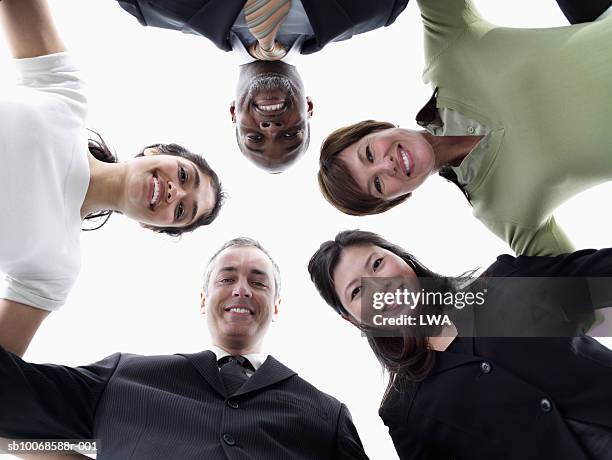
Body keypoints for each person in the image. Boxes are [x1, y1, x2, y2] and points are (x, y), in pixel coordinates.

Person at [0, 237, 370, 460]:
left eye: (258, 282)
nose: (241, 289)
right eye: (227, 278)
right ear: (203, 298)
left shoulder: (326, 414)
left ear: (275, 306)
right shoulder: (124, 377)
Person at [0, 0, 225, 357]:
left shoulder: (58, 269)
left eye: (182, 211)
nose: (175, 191)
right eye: (184, 175)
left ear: (153, 228)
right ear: (156, 151)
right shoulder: (66, 93)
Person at [317, 0, 612, 257]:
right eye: (378, 184)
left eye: (369, 154)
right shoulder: (501, 211)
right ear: (396, 199)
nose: (386, 165)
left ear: (376, 128)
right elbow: (580, 288)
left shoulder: (450, 51)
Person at [307, 229, 612, 459]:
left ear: (402, 259)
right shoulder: (403, 413)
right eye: (357, 291)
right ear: (352, 319)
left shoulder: (503, 281)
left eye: (377, 264)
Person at [114, 0, 410, 173]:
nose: (272, 128)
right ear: (308, 107)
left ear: (233, 113)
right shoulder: (379, 7)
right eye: (291, 133)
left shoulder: (150, 6)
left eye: (254, 137)